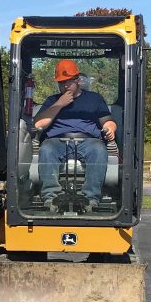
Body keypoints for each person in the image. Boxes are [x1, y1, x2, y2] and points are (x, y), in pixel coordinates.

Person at [33, 59, 116, 212]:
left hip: (88, 140)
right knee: (46, 148)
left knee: (99, 149)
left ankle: (90, 198)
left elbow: (107, 120)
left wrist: (109, 128)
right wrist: (60, 104)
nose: (65, 85)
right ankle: (50, 197)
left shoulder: (94, 99)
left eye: (68, 82)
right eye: (61, 82)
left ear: (77, 80)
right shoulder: (52, 100)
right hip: (57, 141)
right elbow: (39, 124)